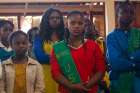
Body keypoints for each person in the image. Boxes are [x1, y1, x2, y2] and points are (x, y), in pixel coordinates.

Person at [51, 11, 105, 93]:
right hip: (67, 90)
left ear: (84, 25)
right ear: (66, 25)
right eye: (72, 23)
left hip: (89, 90)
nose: (76, 26)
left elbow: (101, 70)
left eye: (80, 23)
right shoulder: (57, 48)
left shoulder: (93, 46)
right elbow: (55, 73)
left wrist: (86, 86)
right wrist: (71, 86)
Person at [106, 1, 140, 93]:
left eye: (131, 13)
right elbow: (115, 63)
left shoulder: (138, 33)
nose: (128, 15)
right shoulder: (111, 37)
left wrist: (127, 56)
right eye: (124, 11)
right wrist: (136, 64)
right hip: (119, 83)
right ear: (117, 14)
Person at [33, 8, 65, 93]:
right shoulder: (39, 36)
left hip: (64, 74)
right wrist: (62, 57)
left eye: (58, 18)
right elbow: (40, 57)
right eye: (52, 18)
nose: (55, 20)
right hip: (46, 74)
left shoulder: (65, 35)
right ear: (46, 19)